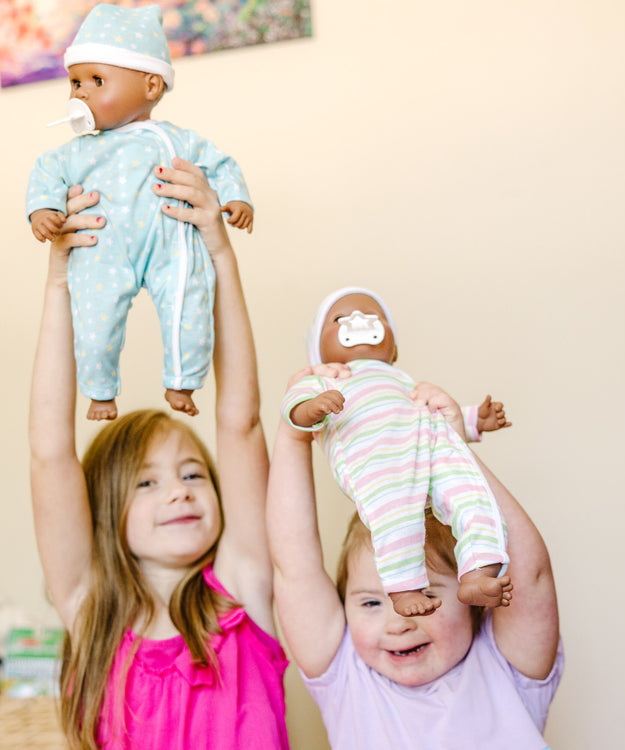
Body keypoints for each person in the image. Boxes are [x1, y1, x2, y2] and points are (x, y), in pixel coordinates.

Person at [29, 159, 288, 750]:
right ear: (103, 511)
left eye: (193, 473)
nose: (179, 491)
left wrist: (219, 254)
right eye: (145, 484)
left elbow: (240, 423)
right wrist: (58, 281)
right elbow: (49, 454)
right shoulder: (91, 614)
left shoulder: (244, 588)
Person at [268, 374, 562, 749]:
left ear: (473, 603)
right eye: (371, 602)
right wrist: (294, 428)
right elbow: (294, 567)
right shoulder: (347, 676)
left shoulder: (505, 668)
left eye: (423, 593)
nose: (399, 622)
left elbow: (530, 573)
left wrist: (450, 446)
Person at [27, 3, 253, 421]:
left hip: (170, 245)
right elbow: (46, 173)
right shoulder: (77, 151)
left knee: (190, 304)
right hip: (101, 248)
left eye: (96, 80)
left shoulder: (176, 140)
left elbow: (219, 164)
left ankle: (183, 381)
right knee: (94, 324)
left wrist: (235, 197)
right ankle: (99, 393)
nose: (81, 92)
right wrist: (43, 209)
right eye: (75, 82)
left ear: (151, 86)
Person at [281, 287, 512, 617]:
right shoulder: (328, 379)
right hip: (378, 462)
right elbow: (292, 409)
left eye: (372, 317)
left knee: (473, 495)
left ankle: (479, 571)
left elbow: (434, 412)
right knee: (395, 517)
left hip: (432, 450)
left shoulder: (403, 382)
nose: (359, 321)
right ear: (318, 352)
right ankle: (405, 588)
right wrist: (313, 406)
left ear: (394, 349)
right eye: (341, 319)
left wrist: (476, 419)